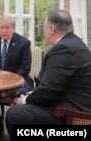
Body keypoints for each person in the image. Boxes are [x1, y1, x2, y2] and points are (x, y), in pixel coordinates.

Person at [5, 9, 91, 140]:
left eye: (44, 28)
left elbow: (47, 92)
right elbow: (51, 86)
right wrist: (29, 95)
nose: (43, 31)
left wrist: (24, 100)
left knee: (14, 114)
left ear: (51, 29)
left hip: (71, 113)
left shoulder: (63, 49)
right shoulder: (75, 43)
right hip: (75, 103)